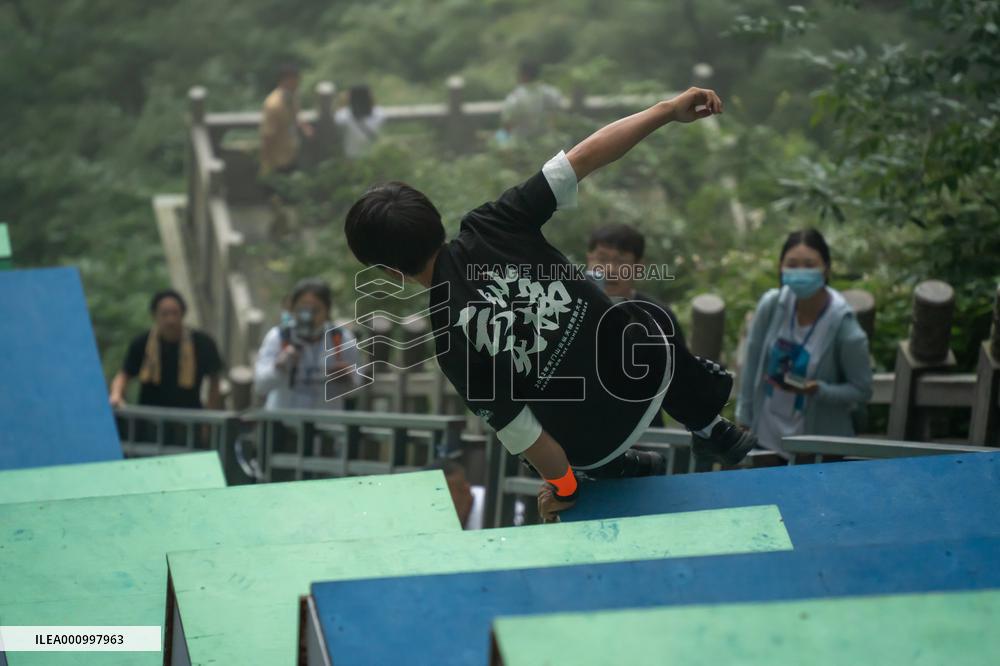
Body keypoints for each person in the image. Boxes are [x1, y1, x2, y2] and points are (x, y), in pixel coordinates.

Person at [345, 86, 755, 523]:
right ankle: (712, 427)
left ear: (390, 272)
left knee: (517, 426)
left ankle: (618, 467)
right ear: (432, 216)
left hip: (594, 445)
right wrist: (667, 111)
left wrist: (564, 488)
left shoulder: (448, 339)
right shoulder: (492, 222)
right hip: (653, 375)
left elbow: (524, 434)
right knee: (640, 315)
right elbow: (585, 157)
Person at [736, 229, 873, 458]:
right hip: (765, 440)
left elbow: (862, 390)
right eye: (792, 264)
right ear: (781, 267)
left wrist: (819, 389)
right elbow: (752, 366)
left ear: (826, 269)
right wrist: (744, 418)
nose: (800, 272)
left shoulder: (843, 326)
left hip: (815, 450)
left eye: (809, 265)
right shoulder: (771, 305)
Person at [587, 223, 687, 428]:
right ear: (589, 259)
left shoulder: (658, 316)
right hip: (582, 433)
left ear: (638, 267)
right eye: (602, 259)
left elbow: (681, 380)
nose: (610, 270)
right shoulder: (570, 309)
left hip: (645, 433)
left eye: (621, 261)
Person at [254, 278, 360, 409]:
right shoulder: (278, 336)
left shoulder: (340, 338)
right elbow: (260, 386)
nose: (308, 315)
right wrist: (279, 367)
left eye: (316, 310)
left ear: (327, 310)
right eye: (303, 308)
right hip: (283, 423)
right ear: (292, 308)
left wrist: (348, 378)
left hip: (327, 424)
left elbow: (356, 389)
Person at [110, 290, 223, 409]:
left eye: (175, 313)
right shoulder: (141, 343)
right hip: (148, 419)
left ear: (183, 314)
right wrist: (116, 395)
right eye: (164, 314)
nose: (170, 320)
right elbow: (124, 375)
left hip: (189, 419)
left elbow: (215, 380)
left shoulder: (203, 343)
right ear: (154, 316)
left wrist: (209, 414)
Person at [259, 64, 314, 176]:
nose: (298, 84)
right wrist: (265, 163)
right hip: (278, 161)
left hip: (291, 155)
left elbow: (296, 114)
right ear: (286, 80)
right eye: (296, 80)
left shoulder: (291, 97)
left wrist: (305, 127)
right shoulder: (273, 104)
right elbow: (268, 135)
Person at [499, 60, 565, 142]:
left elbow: (507, 125)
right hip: (548, 143)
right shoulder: (551, 93)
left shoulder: (515, 98)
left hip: (520, 145)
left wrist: (500, 140)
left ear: (523, 74)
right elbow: (557, 116)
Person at [334, 85, 385, 158]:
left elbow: (338, 116)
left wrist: (343, 101)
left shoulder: (343, 116)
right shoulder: (379, 114)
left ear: (351, 98)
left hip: (351, 158)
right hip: (374, 156)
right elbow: (375, 106)